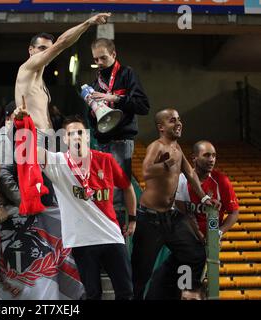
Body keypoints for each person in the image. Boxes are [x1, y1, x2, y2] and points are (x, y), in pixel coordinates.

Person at [16, 102, 136, 299]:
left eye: (80, 132)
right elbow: (31, 151)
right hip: (82, 242)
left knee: (126, 291)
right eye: (71, 134)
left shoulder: (105, 159)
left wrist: (132, 219)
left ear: (87, 135)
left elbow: (128, 186)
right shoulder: (58, 163)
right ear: (64, 139)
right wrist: (22, 125)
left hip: (111, 236)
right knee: (93, 293)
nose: (76, 137)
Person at [131, 108, 218, 300]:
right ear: (161, 127)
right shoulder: (157, 146)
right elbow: (145, 171)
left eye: (179, 119)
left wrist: (204, 197)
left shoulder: (177, 148)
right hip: (150, 219)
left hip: (170, 217)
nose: (178, 123)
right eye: (172, 120)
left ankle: (183, 293)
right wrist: (165, 165)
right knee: (140, 275)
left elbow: (191, 173)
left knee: (195, 254)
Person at [87, 38, 150, 222]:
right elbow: (93, 120)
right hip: (102, 142)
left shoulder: (127, 74)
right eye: (96, 59)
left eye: (103, 58)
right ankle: (106, 221)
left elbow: (143, 106)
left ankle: (123, 225)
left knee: (120, 190)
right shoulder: (96, 82)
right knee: (104, 188)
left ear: (114, 54)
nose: (99, 63)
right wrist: (92, 109)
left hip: (122, 141)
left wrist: (114, 98)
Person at [15, 13, 111, 132]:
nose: (46, 53)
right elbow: (62, 43)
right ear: (31, 50)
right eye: (41, 48)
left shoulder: (39, 79)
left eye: (49, 49)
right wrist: (88, 23)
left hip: (47, 138)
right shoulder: (26, 68)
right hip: (32, 136)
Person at [176, 140, 239, 238]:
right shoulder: (181, 180)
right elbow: (180, 213)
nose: (211, 159)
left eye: (214, 155)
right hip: (186, 238)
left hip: (211, 242)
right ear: (194, 157)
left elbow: (234, 213)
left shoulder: (222, 181)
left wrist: (219, 232)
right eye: (206, 155)